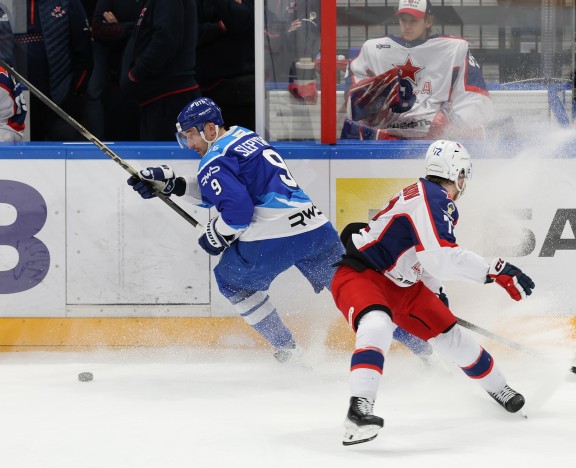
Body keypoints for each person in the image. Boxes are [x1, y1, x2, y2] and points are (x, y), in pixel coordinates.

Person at [126, 97, 434, 362]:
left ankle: (288, 351)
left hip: (273, 238)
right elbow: (223, 190)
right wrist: (173, 184)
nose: (190, 145)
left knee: (231, 282)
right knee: (359, 294)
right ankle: (426, 348)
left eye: (191, 135)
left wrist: (216, 234)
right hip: (316, 230)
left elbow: (237, 213)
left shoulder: (213, 160)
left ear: (209, 128)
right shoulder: (245, 136)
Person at [331, 140, 535, 445]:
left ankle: (500, 388)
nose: (464, 182)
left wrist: (437, 293)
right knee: (377, 324)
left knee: (454, 340)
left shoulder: (429, 196)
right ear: (457, 173)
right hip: (363, 275)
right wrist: (494, 269)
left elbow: (425, 258)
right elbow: (440, 257)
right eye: (463, 174)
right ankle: (359, 410)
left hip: (405, 287)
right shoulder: (434, 199)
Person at [341, 0, 494, 140]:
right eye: (403, 20)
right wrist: (376, 105)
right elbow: (355, 97)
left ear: (428, 21)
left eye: (413, 20)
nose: (407, 26)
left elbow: (475, 96)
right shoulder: (373, 49)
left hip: (436, 136)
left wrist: (453, 125)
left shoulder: (453, 49)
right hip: (388, 134)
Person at [120, 0, 200, 141]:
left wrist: (137, 73)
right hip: (159, 98)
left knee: (169, 154)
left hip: (168, 98)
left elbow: (166, 40)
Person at [17, 0, 93, 141]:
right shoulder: (7, 4)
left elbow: (84, 52)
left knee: (65, 146)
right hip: (18, 101)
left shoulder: (67, 3)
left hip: (61, 98)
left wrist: (74, 92)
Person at [87, 0, 143, 140]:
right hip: (118, 82)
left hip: (150, 83)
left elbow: (155, 30)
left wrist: (118, 27)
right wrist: (132, 28)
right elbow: (97, 29)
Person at [196, 0, 255, 130]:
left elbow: (240, 20)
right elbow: (189, 33)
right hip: (205, 87)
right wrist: (219, 27)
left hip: (241, 86)